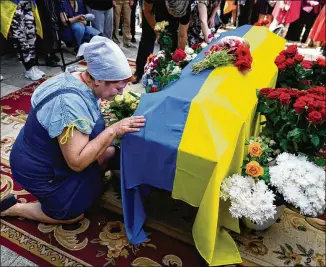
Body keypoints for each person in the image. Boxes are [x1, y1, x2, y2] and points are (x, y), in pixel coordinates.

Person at [0, 36, 146, 224]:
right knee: (72, 214)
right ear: (99, 80)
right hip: (41, 170)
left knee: (110, 153)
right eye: (118, 88)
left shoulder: (80, 78)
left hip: (54, 155)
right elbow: (76, 162)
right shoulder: (69, 107)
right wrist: (113, 130)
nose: (120, 94)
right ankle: (14, 209)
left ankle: (87, 180)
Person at [132, 0, 191, 84]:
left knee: (171, 39)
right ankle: (139, 71)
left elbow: (182, 35)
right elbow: (147, 11)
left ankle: (166, 72)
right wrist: (157, 31)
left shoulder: (185, 7)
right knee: (147, 39)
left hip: (170, 13)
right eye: (173, 13)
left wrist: (179, 58)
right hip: (152, 12)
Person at [0, 0, 45, 81]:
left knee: (31, 36)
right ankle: (28, 68)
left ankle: (33, 65)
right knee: (21, 38)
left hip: (28, 4)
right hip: (13, 5)